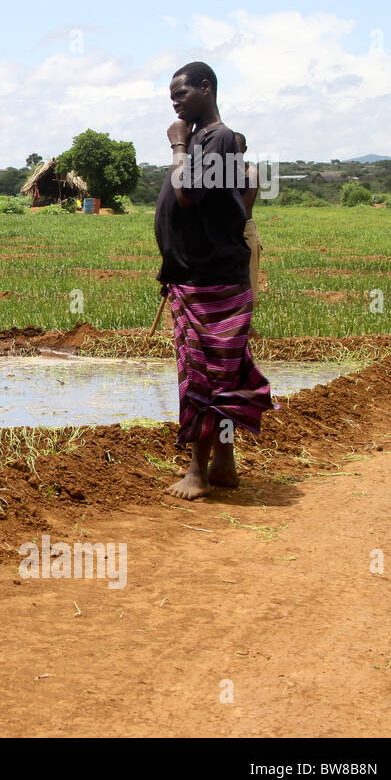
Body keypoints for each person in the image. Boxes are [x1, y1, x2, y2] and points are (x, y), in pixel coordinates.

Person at [154, 61, 273, 499]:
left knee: (205, 377)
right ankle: (224, 464)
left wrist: (177, 145)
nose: (174, 99)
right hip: (198, 275)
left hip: (209, 281)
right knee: (224, 373)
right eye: (171, 93)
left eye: (182, 92)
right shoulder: (212, 142)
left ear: (206, 88)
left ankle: (196, 473)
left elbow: (186, 194)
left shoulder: (215, 138)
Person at [233, 131, 263, 300]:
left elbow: (241, 207)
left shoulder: (251, 172)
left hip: (244, 233)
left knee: (246, 295)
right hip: (224, 235)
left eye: (235, 148)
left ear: (244, 149)